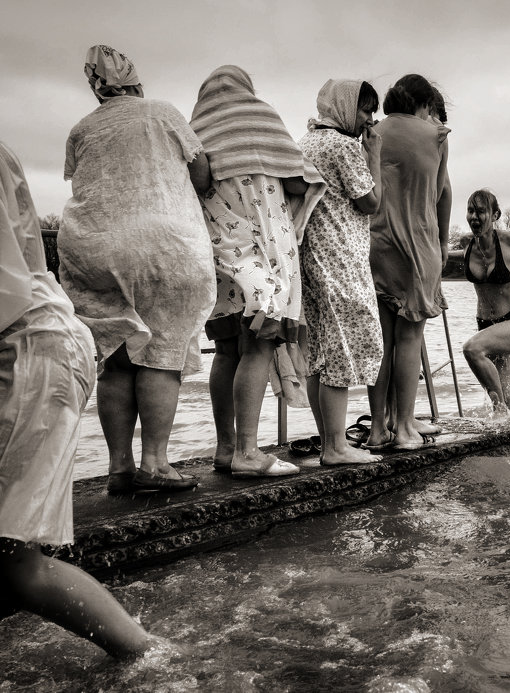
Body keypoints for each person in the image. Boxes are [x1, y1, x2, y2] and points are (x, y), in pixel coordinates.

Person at [0, 140, 159, 658]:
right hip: (38, 345)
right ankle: (149, 658)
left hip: (27, 352)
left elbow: (7, 293)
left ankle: (149, 658)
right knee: (15, 561)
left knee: (16, 562)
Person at [58, 45, 216, 494]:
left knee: (117, 358)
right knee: (161, 353)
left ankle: (119, 468)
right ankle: (155, 464)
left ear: (96, 87)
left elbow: (81, 178)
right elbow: (201, 174)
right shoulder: (162, 113)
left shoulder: (80, 128)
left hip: (92, 246)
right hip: (164, 246)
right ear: (136, 80)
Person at [190, 65, 327, 478]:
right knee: (259, 345)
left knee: (229, 349)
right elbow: (302, 183)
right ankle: (249, 452)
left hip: (219, 253)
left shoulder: (196, 128)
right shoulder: (261, 115)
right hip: (263, 249)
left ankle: (226, 448)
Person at [297, 79, 385, 465]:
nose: (370, 119)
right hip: (339, 257)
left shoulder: (306, 142)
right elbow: (370, 202)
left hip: (309, 256)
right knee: (344, 348)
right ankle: (336, 447)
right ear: (347, 109)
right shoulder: (344, 146)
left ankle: (328, 440)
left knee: (319, 350)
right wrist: (375, 157)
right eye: (365, 110)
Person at [363, 75, 451, 451]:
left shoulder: (372, 133)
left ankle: (378, 428)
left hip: (375, 243)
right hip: (418, 242)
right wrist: (444, 242)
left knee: (380, 341)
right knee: (409, 337)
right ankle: (404, 428)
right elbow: (442, 191)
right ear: (426, 103)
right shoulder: (437, 136)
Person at [448, 190, 510, 414]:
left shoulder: (509, 239)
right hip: (486, 324)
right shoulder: (467, 243)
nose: (474, 216)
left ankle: (500, 410)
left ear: (495, 215)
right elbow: (449, 255)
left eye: (481, 211)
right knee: (503, 387)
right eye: (470, 210)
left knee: (472, 349)